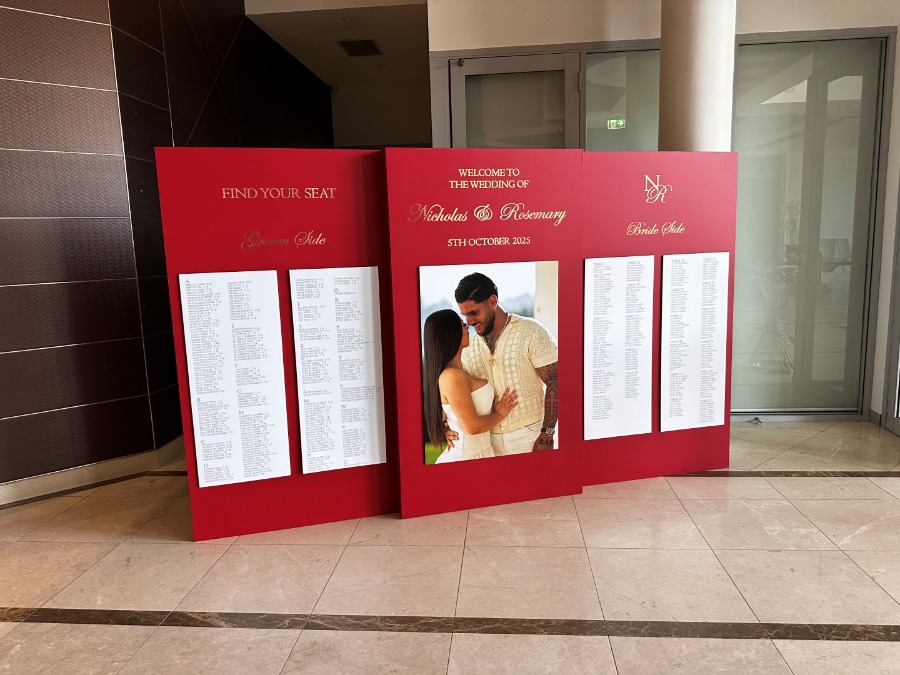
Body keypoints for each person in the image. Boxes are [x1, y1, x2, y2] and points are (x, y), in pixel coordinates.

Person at [454, 272, 559, 455]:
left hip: (531, 437)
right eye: (464, 315)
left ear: (493, 301)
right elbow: (455, 391)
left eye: (474, 313)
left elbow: (556, 381)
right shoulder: (468, 347)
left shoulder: (531, 331)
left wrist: (547, 435)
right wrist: (445, 424)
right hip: (487, 445)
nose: (469, 322)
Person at [423, 309, 518, 463]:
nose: (467, 326)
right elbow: (472, 427)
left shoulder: (459, 372)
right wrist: (500, 414)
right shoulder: (452, 376)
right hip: (466, 457)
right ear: (451, 334)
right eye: (462, 325)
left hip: (480, 453)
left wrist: (445, 428)